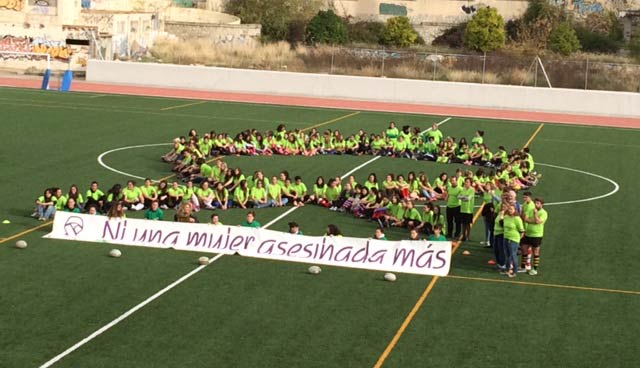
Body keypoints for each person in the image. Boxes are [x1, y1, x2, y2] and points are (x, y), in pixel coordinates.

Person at [520, 198, 548, 276]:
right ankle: (523, 267)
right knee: (523, 249)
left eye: (538, 203)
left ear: (542, 205)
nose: (536, 205)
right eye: (535, 203)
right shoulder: (531, 209)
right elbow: (526, 219)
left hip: (537, 235)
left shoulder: (544, 213)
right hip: (528, 233)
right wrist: (533, 221)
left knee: (535, 252)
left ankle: (535, 269)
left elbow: (538, 221)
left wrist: (535, 215)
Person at [500, 205, 525, 278]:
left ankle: (514, 272)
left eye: (511, 209)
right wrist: (501, 215)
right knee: (507, 255)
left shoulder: (517, 219)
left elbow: (522, 231)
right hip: (506, 238)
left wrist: (518, 240)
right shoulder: (506, 217)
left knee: (513, 256)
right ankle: (507, 270)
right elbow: (502, 225)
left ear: (515, 210)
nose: (510, 210)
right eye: (509, 209)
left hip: (513, 239)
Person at [458, 177, 475, 241]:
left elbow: (469, 198)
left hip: (469, 210)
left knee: (468, 224)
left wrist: (463, 197)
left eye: (467, 182)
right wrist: (465, 197)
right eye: (465, 182)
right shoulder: (463, 189)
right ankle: (464, 236)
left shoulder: (472, 190)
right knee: (463, 224)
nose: (466, 183)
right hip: (463, 209)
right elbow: (459, 196)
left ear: (470, 183)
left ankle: (468, 236)